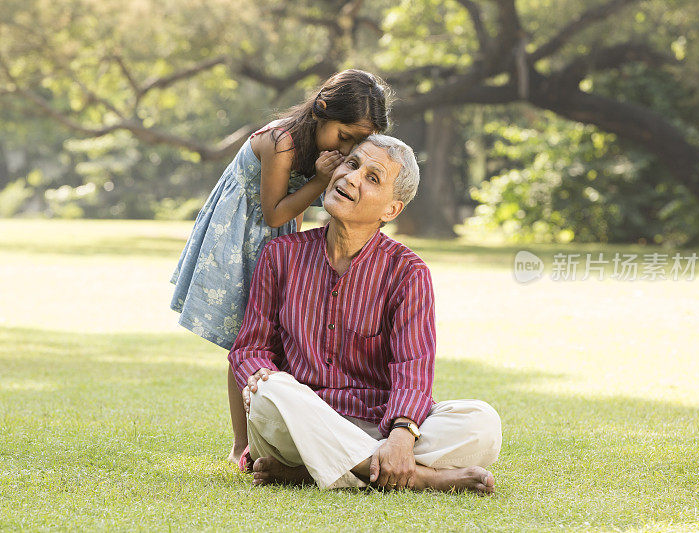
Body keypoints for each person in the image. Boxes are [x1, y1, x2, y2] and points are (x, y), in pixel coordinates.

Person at [228, 135, 503, 492]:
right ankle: (420, 478)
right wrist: (257, 376)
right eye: (352, 164)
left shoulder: (408, 272)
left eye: (373, 178)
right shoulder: (280, 255)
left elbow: (413, 367)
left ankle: (314, 472)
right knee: (270, 391)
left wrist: (402, 436)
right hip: (298, 420)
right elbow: (249, 349)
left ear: (391, 210)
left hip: (378, 424)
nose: (352, 178)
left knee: (481, 422)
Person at [170, 69, 392, 465]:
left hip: (274, 239)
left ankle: (280, 435)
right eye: (345, 138)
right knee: (247, 339)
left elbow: (292, 218)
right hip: (242, 236)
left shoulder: (313, 147)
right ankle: (242, 444)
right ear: (322, 109)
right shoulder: (282, 141)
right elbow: (273, 214)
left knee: (275, 333)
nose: (347, 150)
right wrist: (321, 181)